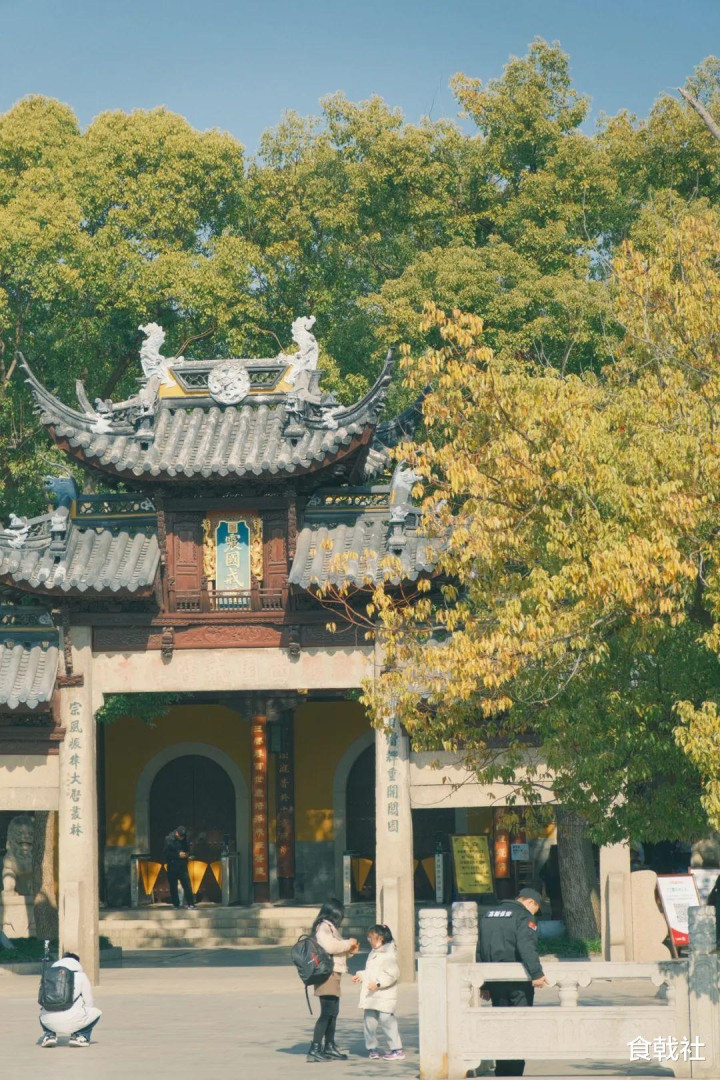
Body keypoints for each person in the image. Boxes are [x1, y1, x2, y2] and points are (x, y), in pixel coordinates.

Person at [468, 887, 548, 1079]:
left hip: (495, 982)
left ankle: (502, 1072)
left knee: (501, 1026)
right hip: (518, 983)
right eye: (535, 909)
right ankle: (514, 1073)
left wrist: (485, 984)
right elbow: (526, 946)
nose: (534, 913)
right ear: (531, 902)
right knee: (518, 1027)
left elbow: (480, 950)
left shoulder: (488, 914)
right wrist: (537, 973)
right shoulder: (524, 916)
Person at [307, 898, 359, 1063]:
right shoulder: (323, 927)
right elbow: (330, 947)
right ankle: (315, 1049)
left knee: (333, 1013)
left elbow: (335, 951)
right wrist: (348, 943)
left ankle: (329, 1046)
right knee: (327, 1013)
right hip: (327, 975)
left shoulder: (329, 928)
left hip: (333, 974)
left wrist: (350, 950)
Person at [352, 923, 404, 1061]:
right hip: (372, 995)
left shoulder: (389, 955)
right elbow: (371, 972)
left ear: (380, 938)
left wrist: (379, 984)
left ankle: (397, 1049)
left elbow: (393, 975)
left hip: (384, 995)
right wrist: (361, 976)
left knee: (387, 1021)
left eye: (371, 938)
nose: (369, 940)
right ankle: (372, 1048)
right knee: (369, 1022)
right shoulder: (374, 952)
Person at [39, 952, 102, 1048]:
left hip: (47, 1021)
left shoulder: (48, 975)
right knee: (96, 1012)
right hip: (73, 1019)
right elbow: (89, 1001)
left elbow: (42, 999)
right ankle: (80, 1036)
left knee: (43, 1010)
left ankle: (49, 1035)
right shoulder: (80, 975)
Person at [162, 825, 196, 909]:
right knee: (173, 885)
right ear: (177, 833)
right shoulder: (169, 840)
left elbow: (188, 849)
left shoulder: (185, 839)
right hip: (172, 865)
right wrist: (178, 855)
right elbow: (166, 853)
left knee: (187, 884)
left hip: (182, 865)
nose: (182, 838)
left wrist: (187, 854)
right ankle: (176, 904)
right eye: (180, 836)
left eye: (183, 836)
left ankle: (191, 903)